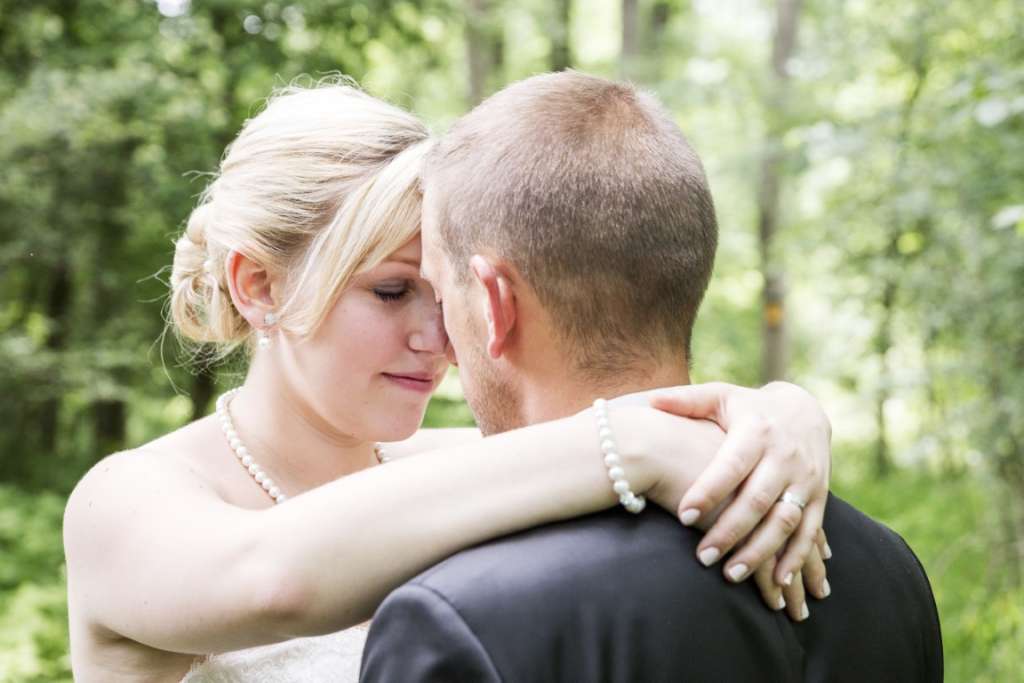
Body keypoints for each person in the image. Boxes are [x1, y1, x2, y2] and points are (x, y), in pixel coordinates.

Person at [63, 80, 834, 682]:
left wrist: (783, 414)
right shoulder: (125, 498)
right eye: (392, 292)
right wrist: (630, 442)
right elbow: (273, 577)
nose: (440, 342)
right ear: (258, 285)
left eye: (441, 294)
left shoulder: (445, 465)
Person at [359, 71, 943, 682]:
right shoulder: (887, 567)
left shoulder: (458, 622)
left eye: (437, 290)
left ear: (493, 302)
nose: (444, 343)